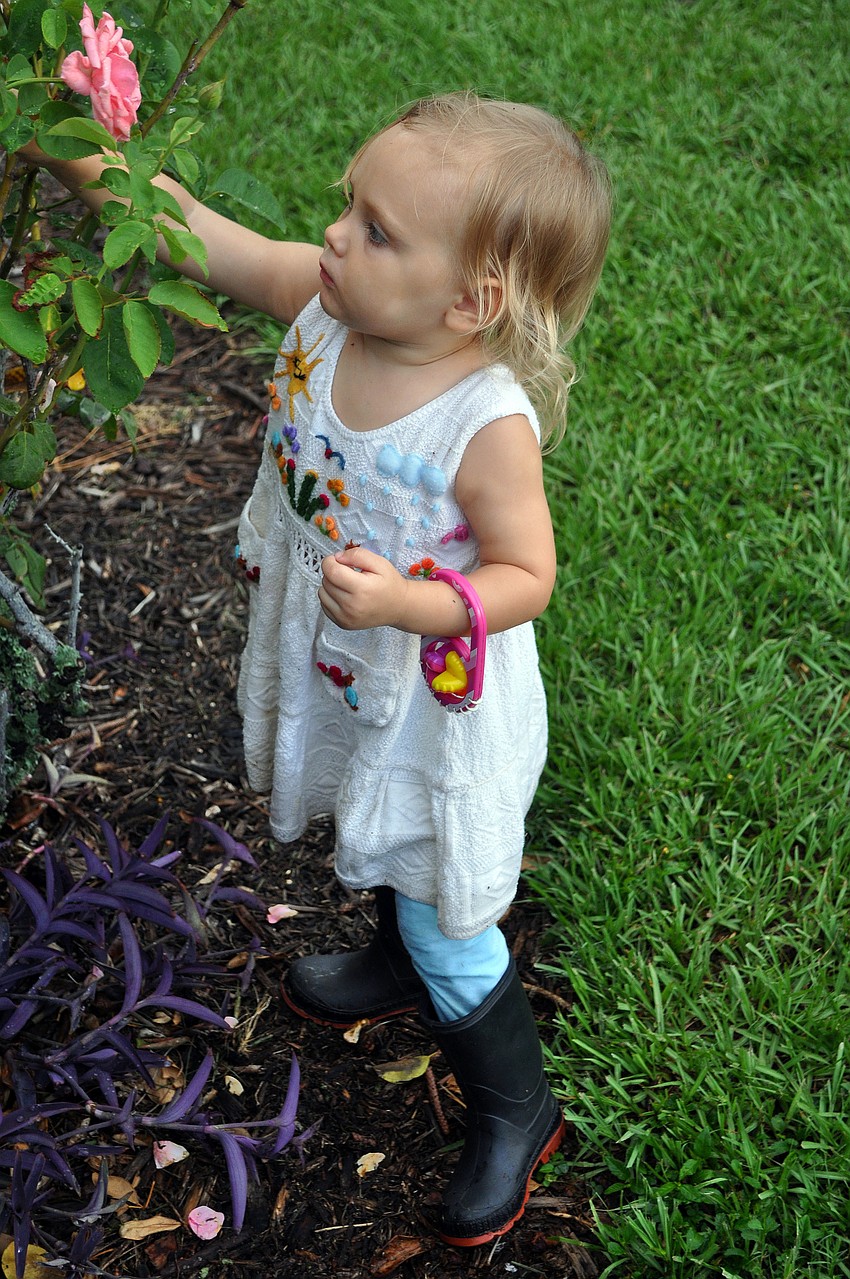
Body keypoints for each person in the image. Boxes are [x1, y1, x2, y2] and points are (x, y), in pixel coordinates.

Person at [23, 91, 611, 1246]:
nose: (337, 233)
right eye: (349, 206)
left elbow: (526, 574)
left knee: (448, 901)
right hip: (352, 666)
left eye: (376, 227)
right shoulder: (321, 304)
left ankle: (512, 1099)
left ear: (470, 298)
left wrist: (412, 604)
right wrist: (65, 140)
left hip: (435, 706)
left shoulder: (480, 422)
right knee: (380, 836)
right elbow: (190, 228)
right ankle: (398, 956)